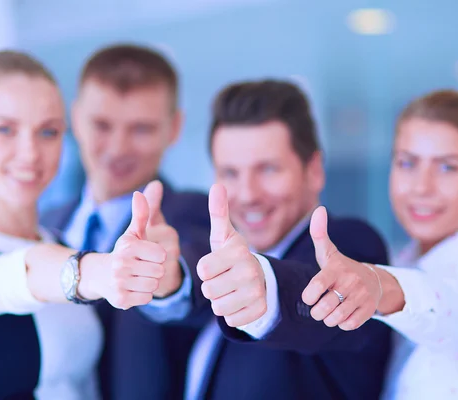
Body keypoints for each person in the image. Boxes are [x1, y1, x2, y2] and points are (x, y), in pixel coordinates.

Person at [0, 50, 170, 400]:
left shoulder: (60, 241)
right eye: (5, 129)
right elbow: (10, 276)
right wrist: (95, 271)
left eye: (48, 132)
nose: (29, 153)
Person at [150, 79, 392, 399]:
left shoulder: (352, 246)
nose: (248, 195)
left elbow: (308, 294)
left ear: (314, 170)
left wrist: (264, 289)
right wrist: (171, 278)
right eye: (230, 173)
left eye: (268, 169)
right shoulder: (221, 256)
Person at [302, 89, 458, 399]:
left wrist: (380, 285)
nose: (421, 187)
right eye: (407, 163)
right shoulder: (399, 261)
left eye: (447, 167)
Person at [40, 44, 211, 400]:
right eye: (102, 125)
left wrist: (169, 282)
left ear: (174, 128)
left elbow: (192, 283)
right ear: (75, 117)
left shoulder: (196, 219)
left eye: (141, 129)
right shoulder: (43, 225)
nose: (118, 148)